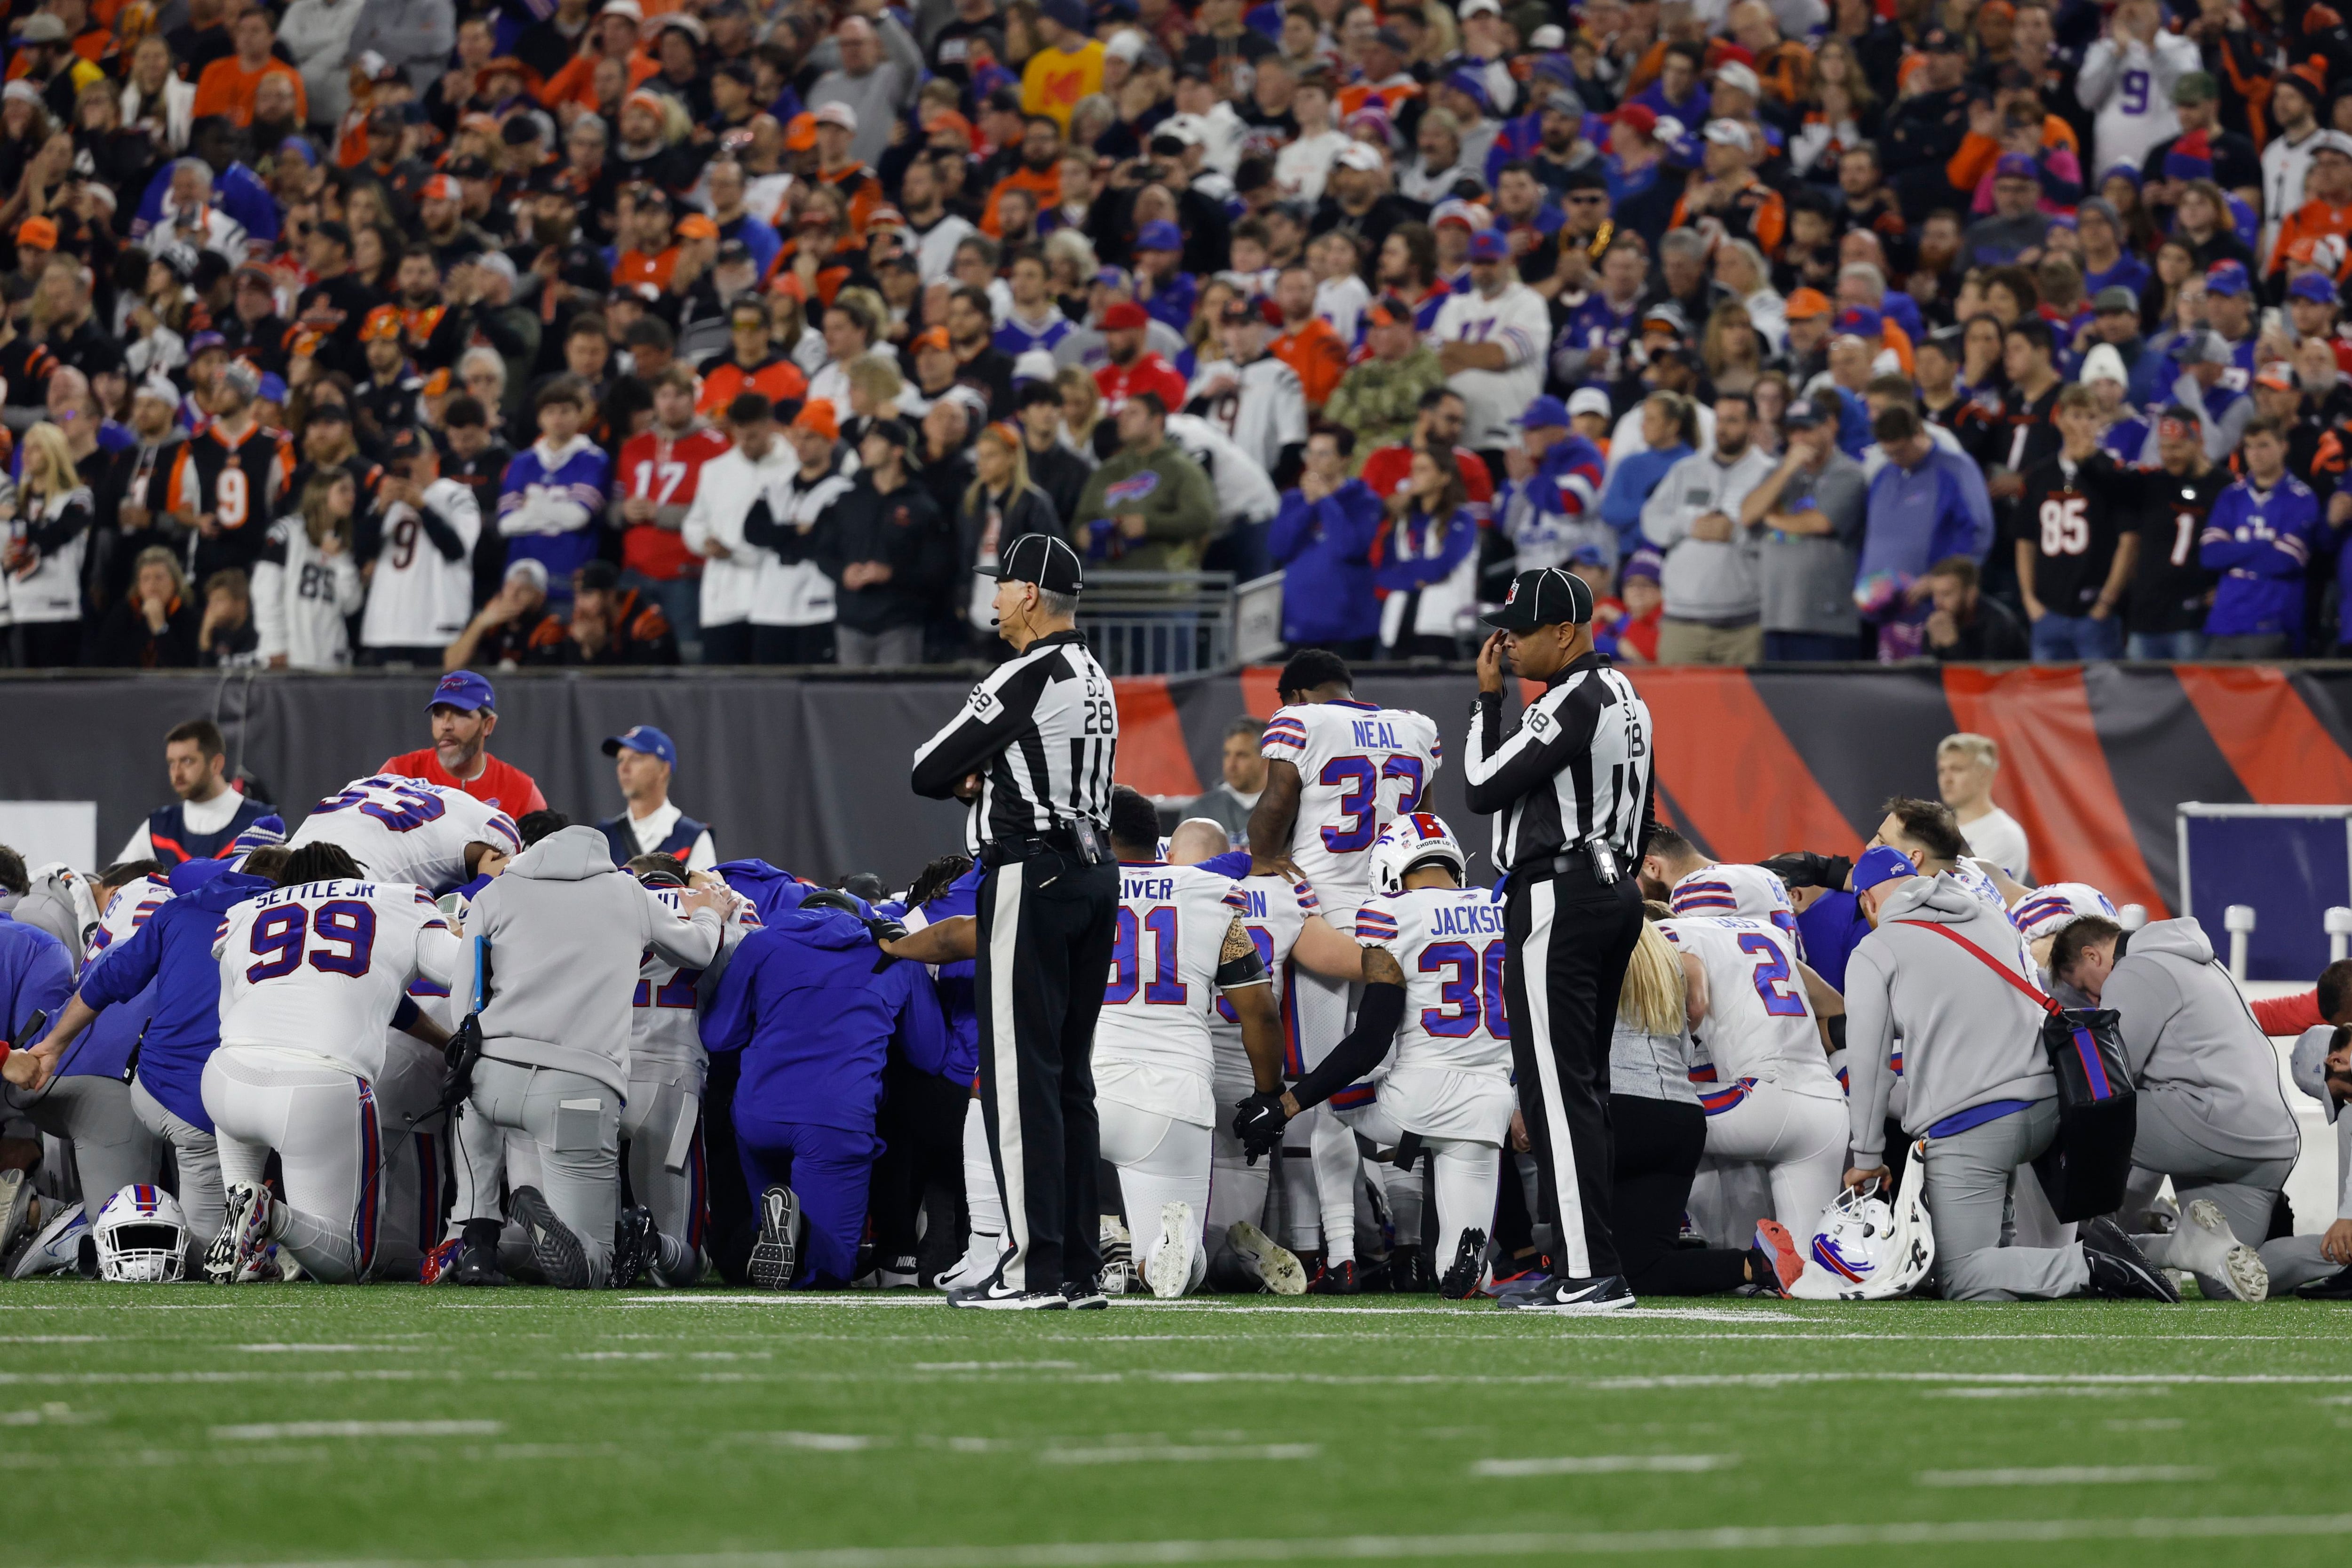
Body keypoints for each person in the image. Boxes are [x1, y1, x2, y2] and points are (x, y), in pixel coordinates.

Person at [906, 533, 1118, 1309]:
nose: (993, 597)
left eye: (1001, 583)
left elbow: (927, 766)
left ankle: (1031, 1267)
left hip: (1034, 875)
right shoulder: (1094, 673)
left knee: (1020, 1080)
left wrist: (977, 772)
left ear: (1030, 593)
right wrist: (992, 773)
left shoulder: (1025, 672)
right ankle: (1076, 1267)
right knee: (1068, 1079)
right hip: (1095, 874)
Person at [1840, 845, 2177, 1303]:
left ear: (1867, 902)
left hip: (1971, 1120)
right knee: (1993, 1272)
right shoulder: (1987, 916)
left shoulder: (1877, 948)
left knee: (1959, 1273)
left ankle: (2091, 1263)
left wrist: (1865, 1156)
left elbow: (1868, 1065)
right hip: (2046, 1105)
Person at [1464, 566, 1652, 1313]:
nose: (1504, 643)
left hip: (1562, 895)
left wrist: (1487, 701)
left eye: (1519, 630)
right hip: (1610, 890)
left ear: (1566, 633)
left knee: (1556, 1088)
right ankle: (1587, 1259)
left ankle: (1589, 1272)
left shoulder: (1572, 696)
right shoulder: (1624, 693)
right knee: (1581, 1088)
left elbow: (1480, 784)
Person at [1236, 812, 1517, 1299]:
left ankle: (1342, 1251)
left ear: (1391, 869)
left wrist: (1284, 1106)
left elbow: (1369, 1042)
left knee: (1338, 1090)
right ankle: (1465, 1257)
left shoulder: (1390, 913)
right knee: (1460, 1267)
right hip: (1488, 1103)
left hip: (1415, 1101)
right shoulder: (1504, 908)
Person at [443, 820, 726, 1289]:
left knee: (470, 1112)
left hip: (493, 1079)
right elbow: (698, 952)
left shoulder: (498, 892)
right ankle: (604, 1232)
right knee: (594, 1266)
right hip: (577, 1088)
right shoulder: (626, 892)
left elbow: (464, 998)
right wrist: (709, 913)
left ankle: (477, 1237)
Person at [1245, 649, 1443, 1292]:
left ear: (1298, 693)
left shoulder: (1300, 722)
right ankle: (1410, 1242)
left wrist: (1266, 856)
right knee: (1395, 1076)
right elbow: (1424, 830)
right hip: (1400, 917)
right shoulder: (1415, 726)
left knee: (1329, 1092)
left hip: (1323, 916)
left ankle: (1342, 1251)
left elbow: (1277, 801)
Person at [202, 842, 459, 1285]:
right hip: (316, 1085)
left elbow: (234, 1009)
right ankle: (269, 1215)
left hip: (227, 1075)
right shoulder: (398, 901)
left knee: (259, 1225)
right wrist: (460, 933)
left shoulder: (245, 914)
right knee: (350, 1258)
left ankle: (250, 1247)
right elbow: (461, 969)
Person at [2049, 915, 2333, 1301]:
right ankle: (2339, 1255)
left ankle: (2066, 1246)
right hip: (2268, 1142)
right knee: (2223, 1281)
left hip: (2210, 1124)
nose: (2097, 1002)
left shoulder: (2135, 969)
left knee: (2059, 1106)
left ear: (2093, 955)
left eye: (2088, 988)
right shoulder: (2203, 961)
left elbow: (2113, 1074)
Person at [24, 853, 281, 1271]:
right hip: (171, 1093)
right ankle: (75, 1227)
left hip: (131, 1078)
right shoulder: (287, 921)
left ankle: (89, 1217)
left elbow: (108, 979)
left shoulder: (180, 901)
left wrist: (53, 1044)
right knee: (207, 1260)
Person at [1084, 785, 1283, 1297]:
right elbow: (1258, 1010)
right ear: (1157, 840)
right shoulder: (1209, 894)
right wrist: (1267, 1094)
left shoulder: (1073, 886)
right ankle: (1164, 1253)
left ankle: (1072, 1242)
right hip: (1173, 1095)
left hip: (1084, 1088)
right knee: (1173, 1272)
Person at [702, 883, 946, 1289]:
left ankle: (779, 1233)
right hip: (836, 1119)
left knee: (777, 1234)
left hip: (759, 1112)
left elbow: (718, 1036)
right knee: (829, 1270)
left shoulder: (762, 944)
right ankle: (799, 1247)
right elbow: (930, 1052)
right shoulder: (894, 953)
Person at [613, 852, 763, 1289]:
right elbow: (753, 949)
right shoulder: (715, 905)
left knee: (589, 1235)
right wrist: (709, 890)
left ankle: (609, 1241)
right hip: (673, 1075)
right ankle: (652, 1246)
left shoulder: (608, 903)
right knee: (681, 1257)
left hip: (602, 1069)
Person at [1642, 393, 1775, 665]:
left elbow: (1782, 538)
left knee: (1746, 708)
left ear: (1752, 425)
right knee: (1677, 707)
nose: (1722, 429)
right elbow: (1651, 520)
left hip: (1744, 625)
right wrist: (1690, 525)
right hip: (1682, 622)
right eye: (1719, 420)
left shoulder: (1769, 473)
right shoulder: (1686, 470)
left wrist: (1737, 534)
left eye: (1733, 421)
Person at [2018, 385, 2138, 662]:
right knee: (2048, 699)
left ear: (2101, 422)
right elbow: (2025, 539)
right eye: (2076, 416)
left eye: (2090, 417)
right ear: (2059, 420)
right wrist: (2029, 599)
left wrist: (2107, 601)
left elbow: (2129, 541)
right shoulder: (2039, 476)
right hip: (2047, 610)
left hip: (2094, 612)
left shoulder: (2115, 474)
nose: (2083, 424)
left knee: (2103, 698)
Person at [1741, 397, 1868, 661]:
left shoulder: (1848, 473)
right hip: (1776, 615)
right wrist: (1786, 469)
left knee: (1826, 701)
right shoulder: (1780, 473)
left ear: (1830, 426)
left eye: (1807, 429)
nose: (1800, 438)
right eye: (1794, 431)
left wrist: (1774, 519)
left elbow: (1820, 522)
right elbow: (1748, 514)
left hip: (1826, 619)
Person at [682, 393, 796, 667]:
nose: (744, 443)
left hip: (778, 600)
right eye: (739, 434)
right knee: (724, 689)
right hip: (726, 598)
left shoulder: (794, 468)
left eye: (753, 435)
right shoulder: (716, 471)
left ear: (770, 426)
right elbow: (694, 523)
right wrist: (704, 543)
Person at [829, 417, 950, 668]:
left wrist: (892, 574)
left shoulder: (922, 506)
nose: (864, 446)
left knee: (895, 703)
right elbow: (824, 551)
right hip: (851, 622)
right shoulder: (848, 500)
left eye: (874, 441)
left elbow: (937, 570)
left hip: (900, 623)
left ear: (897, 451)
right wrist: (842, 572)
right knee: (849, 703)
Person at [359, 429, 485, 667]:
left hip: (437, 627)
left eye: (412, 457)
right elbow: (361, 552)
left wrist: (422, 508)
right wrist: (379, 512)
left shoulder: (456, 495)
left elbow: (456, 551)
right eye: (398, 461)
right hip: (387, 628)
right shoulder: (385, 502)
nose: (405, 466)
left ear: (432, 457)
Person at [2200, 417, 2318, 658]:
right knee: (2211, 695)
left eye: (2264, 445)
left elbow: (2286, 561)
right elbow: (2210, 555)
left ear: (2283, 446)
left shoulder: (2302, 498)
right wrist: (2265, 545)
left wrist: (2234, 552)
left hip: (2271, 621)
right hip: (2224, 619)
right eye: (2249, 446)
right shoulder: (2230, 496)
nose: (2255, 454)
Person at [286, 773, 521, 894]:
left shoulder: (368, 783)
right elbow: (437, 927)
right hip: (352, 890)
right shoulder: (490, 830)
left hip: (288, 865)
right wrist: (482, 884)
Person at [379, 669, 548, 817]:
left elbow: (544, 852)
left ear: (488, 725)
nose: (446, 725)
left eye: (460, 714)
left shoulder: (521, 791)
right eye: (438, 714)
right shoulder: (398, 775)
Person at [2126, 408, 2224, 661]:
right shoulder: (2151, 483)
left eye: (2177, 448)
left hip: (2192, 621)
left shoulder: (2226, 489)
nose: (2169, 456)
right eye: (2164, 448)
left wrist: (2228, 586)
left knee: (2191, 699)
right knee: (2136, 699)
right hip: (2145, 619)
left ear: (2198, 442)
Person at [114, 718, 275, 865]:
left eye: (187, 761)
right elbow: (115, 883)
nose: (177, 773)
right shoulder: (159, 826)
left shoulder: (260, 824)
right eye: (172, 763)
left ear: (216, 764)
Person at [253, 472, 365, 669]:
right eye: (343, 490)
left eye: (353, 491)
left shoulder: (342, 543)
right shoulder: (287, 531)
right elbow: (265, 591)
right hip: (290, 657)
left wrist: (340, 559)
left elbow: (351, 605)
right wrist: (274, 645)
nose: (351, 497)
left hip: (331, 659)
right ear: (321, 493)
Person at [596, 725, 715, 873]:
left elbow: (704, 894)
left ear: (663, 770)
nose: (624, 768)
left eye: (636, 759)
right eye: (621, 760)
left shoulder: (693, 838)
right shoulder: (603, 837)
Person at [1937, 734, 2031, 883]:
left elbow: (1975, 894)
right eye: (1942, 771)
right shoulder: (1940, 829)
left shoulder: (2004, 835)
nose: (1946, 780)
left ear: (1984, 774)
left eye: (1957, 769)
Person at [1181, 717, 1267, 847]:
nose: (1231, 765)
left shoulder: (1291, 808)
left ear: (1266, 758)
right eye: (1227, 754)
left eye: (1242, 755)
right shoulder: (1199, 812)